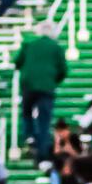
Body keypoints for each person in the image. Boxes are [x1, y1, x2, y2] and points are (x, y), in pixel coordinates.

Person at [15, 20, 67, 161]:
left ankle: (29, 135)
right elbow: (63, 70)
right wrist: (53, 80)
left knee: (26, 113)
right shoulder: (56, 47)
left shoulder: (29, 44)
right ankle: (42, 152)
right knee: (44, 120)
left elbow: (17, 62)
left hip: (28, 85)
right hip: (47, 87)